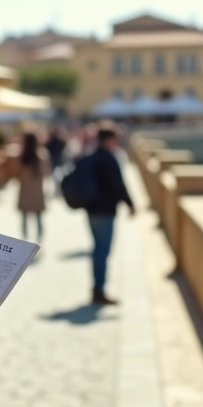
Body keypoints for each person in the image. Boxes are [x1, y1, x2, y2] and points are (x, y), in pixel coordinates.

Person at [82, 124, 134, 304]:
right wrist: (130, 204)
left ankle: (97, 288)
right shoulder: (109, 159)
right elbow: (119, 185)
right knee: (102, 251)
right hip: (105, 211)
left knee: (97, 249)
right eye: (115, 138)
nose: (118, 141)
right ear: (108, 139)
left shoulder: (91, 156)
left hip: (91, 210)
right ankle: (99, 289)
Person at [17, 131, 50, 240]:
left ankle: (24, 241)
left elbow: (16, 174)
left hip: (25, 190)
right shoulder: (42, 155)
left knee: (24, 218)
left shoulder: (22, 156)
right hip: (37, 191)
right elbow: (46, 172)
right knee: (38, 217)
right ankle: (39, 241)